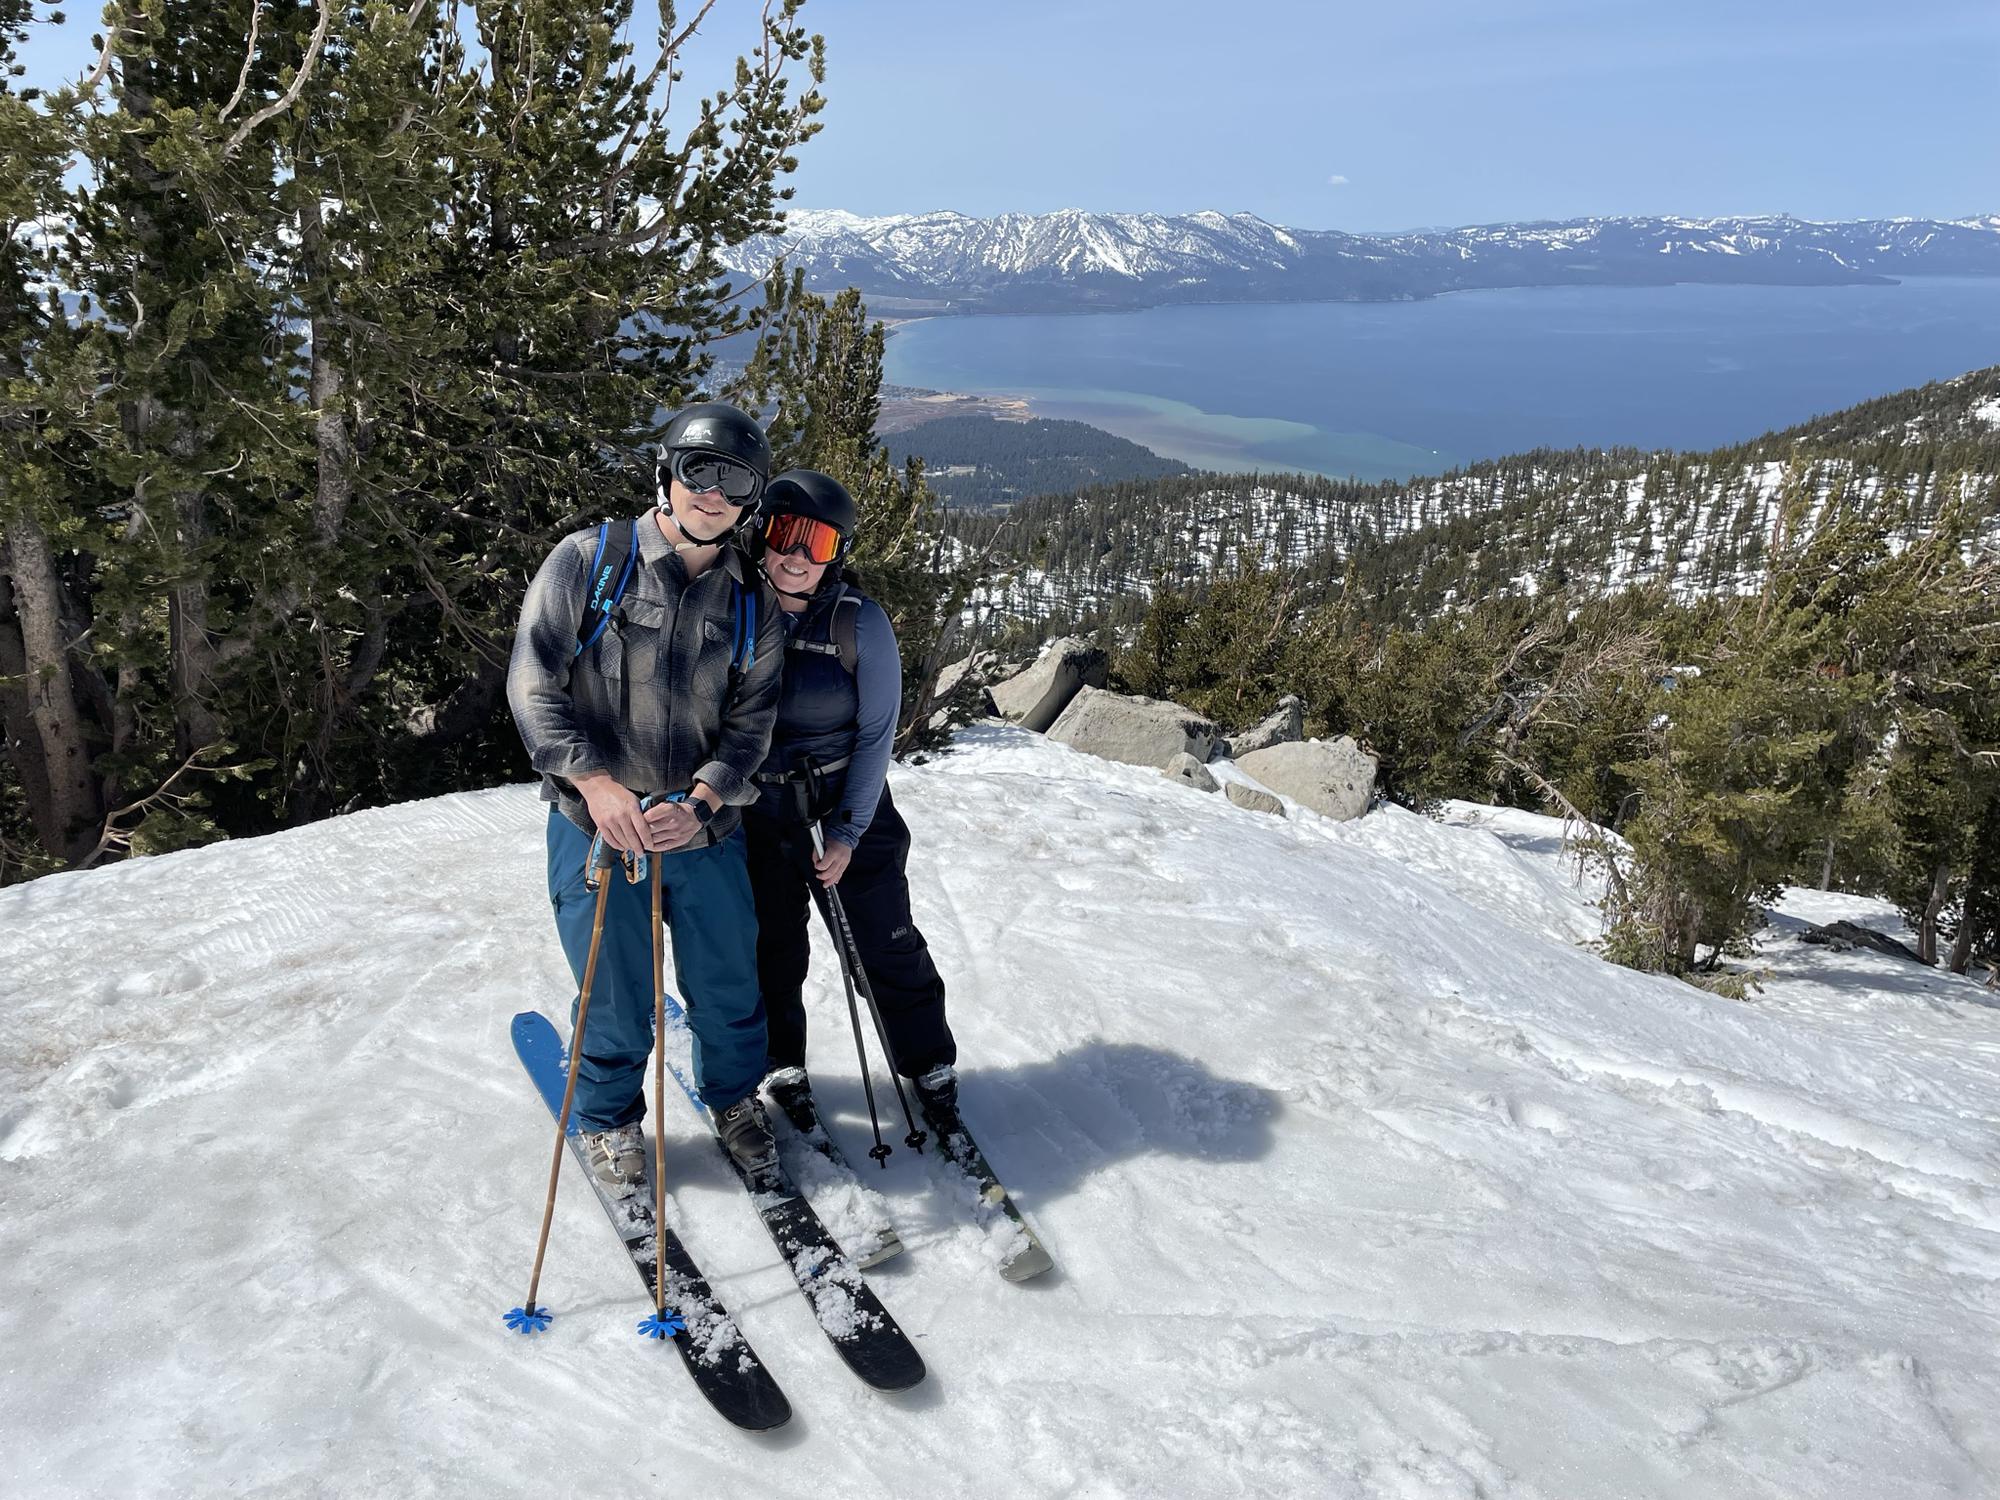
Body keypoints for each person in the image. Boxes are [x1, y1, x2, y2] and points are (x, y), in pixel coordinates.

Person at [507, 401, 785, 1186]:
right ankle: (609, 1117)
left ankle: (734, 1100)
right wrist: (594, 784)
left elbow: (750, 725)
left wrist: (700, 802)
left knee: (730, 983)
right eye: (700, 471)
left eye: (736, 482)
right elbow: (533, 680)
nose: (714, 493)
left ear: (748, 502)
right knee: (615, 993)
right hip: (597, 827)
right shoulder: (592, 562)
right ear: (666, 476)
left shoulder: (748, 603)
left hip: (701, 834)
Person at [738, 470, 962, 1133]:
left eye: (820, 542)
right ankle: (783, 1060)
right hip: (758, 813)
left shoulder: (857, 623)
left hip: (842, 807)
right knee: (771, 946)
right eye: (786, 534)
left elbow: (874, 735)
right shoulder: (734, 607)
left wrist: (849, 832)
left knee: (881, 940)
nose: (798, 556)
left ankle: (926, 1060)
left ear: (839, 552)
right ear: (763, 533)